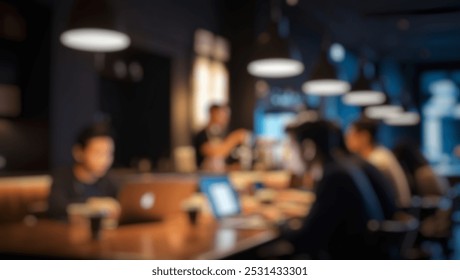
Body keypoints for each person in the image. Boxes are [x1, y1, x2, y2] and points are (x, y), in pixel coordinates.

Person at [282, 120, 397, 259]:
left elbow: (307, 239)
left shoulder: (334, 177)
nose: (289, 155)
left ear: (308, 149)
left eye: (293, 147)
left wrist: (279, 225)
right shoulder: (341, 168)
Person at [47, 123, 119, 221]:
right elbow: (57, 207)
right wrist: (92, 203)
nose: (105, 160)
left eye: (109, 154)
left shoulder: (109, 180)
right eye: (98, 153)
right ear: (78, 153)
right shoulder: (63, 177)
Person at [345, 118, 412, 208]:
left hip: (396, 214)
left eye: (351, 134)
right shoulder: (379, 153)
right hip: (395, 211)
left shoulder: (378, 160)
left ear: (364, 137)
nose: (347, 138)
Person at [193, 104, 250, 171]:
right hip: (204, 176)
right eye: (221, 115)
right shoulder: (201, 135)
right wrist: (235, 138)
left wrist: (231, 168)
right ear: (212, 113)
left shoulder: (221, 134)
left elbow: (219, 165)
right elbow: (216, 152)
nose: (225, 118)